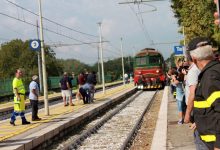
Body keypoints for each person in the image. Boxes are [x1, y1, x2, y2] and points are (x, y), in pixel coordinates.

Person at [188, 37, 220, 150]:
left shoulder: (210, 77)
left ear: (194, 58)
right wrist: (201, 120)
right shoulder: (214, 71)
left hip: (210, 143)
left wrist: (218, 145)